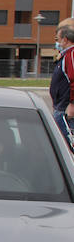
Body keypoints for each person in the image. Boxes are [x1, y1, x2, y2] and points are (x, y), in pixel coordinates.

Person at [49, 20, 74, 149]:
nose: (57, 43)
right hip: (61, 107)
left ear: (65, 40)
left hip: (65, 109)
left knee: (64, 146)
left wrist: (72, 104)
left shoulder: (71, 55)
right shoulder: (65, 55)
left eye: (58, 39)